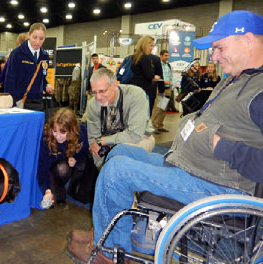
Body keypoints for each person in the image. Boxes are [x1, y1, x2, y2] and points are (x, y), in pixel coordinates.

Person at [67, 10, 263, 263]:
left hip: (217, 184)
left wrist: (219, 145)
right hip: (188, 164)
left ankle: (109, 253)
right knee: (120, 152)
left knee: (117, 172)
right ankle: (105, 231)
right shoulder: (235, 80)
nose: (213, 56)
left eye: (219, 47)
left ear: (247, 40)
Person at [86, 67, 155, 168]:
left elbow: (134, 135)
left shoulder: (135, 95)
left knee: (120, 153)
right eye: (94, 92)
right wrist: (101, 168)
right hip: (108, 140)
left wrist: (103, 141)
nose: (98, 97)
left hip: (141, 138)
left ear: (114, 85)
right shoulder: (93, 105)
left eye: (102, 91)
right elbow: (93, 140)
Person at [37, 108, 89, 209]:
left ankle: (70, 187)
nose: (58, 136)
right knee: (53, 200)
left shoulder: (81, 131)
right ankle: (58, 190)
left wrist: (76, 158)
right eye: (54, 131)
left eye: (63, 132)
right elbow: (42, 166)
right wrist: (47, 190)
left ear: (72, 130)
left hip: (70, 163)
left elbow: (85, 149)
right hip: (53, 165)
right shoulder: (46, 137)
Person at [4, 23, 53, 111]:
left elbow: (42, 76)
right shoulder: (17, 53)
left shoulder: (44, 56)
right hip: (20, 101)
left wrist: (47, 85)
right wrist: (12, 103)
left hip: (38, 101)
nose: (37, 42)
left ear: (44, 38)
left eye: (41, 39)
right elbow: (9, 80)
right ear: (29, 35)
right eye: (35, 37)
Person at [129, 36, 160, 101]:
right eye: (151, 46)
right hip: (143, 90)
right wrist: (155, 77)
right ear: (145, 45)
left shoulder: (134, 57)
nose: (151, 49)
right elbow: (149, 75)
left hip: (133, 88)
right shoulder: (145, 57)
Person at [151, 50, 173, 133]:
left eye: (168, 55)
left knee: (163, 108)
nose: (167, 57)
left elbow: (170, 77)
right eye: (165, 56)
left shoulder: (169, 66)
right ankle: (153, 126)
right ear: (161, 56)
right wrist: (164, 82)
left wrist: (171, 85)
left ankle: (160, 125)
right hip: (160, 88)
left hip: (168, 88)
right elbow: (156, 77)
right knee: (157, 108)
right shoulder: (157, 65)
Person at [81, 53, 105, 123]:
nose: (95, 60)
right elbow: (89, 79)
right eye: (93, 59)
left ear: (98, 59)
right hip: (91, 90)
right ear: (92, 60)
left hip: (99, 91)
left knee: (98, 106)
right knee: (88, 105)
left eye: (96, 58)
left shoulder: (102, 68)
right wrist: (87, 89)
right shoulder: (91, 68)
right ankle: (84, 120)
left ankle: (98, 120)